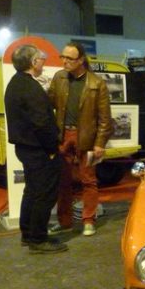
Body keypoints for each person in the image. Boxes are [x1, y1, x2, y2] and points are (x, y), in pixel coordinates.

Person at [3, 44, 66, 253]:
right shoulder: (30, 87)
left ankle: (28, 234)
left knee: (31, 191)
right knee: (44, 194)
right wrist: (52, 148)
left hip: (26, 147)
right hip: (38, 149)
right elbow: (41, 123)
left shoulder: (16, 83)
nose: (43, 62)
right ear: (33, 62)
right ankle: (38, 239)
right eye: (41, 58)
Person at [48, 42, 113, 237]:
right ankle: (65, 221)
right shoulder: (59, 78)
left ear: (81, 60)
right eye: (63, 57)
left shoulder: (97, 83)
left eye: (69, 58)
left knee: (89, 180)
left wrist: (100, 143)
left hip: (88, 138)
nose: (64, 61)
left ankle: (88, 220)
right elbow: (49, 104)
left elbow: (105, 118)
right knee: (63, 180)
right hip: (63, 136)